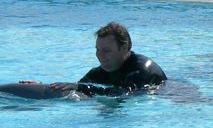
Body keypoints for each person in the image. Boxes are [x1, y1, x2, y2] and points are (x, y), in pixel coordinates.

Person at [36, 22, 167, 97]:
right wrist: (41, 86)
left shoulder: (141, 69)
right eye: (98, 49)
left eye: (106, 50)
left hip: (169, 95)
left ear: (124, 48)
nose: (100, 55)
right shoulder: (101, 71)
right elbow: (75, 86)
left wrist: (82, 88)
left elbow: (123, 94)